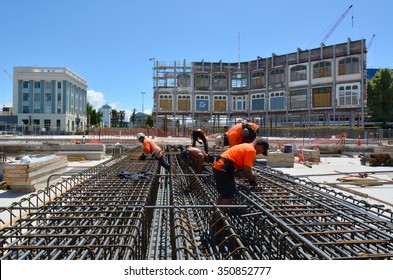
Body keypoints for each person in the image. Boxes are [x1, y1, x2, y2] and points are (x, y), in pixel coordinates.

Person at [213, 138, 269, 212]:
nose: (261, 152)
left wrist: (250, 174)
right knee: (228, 196)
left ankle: (215, 214)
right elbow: (247, 170)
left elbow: (246, 168)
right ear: (260, 146)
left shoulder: (246, 146)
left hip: (219, 167)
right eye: (263, 150)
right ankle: (218, 219)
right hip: (224, 168)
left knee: (224, 194)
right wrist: (252, 181)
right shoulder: (251, 150)